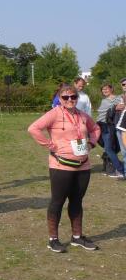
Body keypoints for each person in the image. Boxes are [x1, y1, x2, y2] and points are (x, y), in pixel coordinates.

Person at [27, 83, 101, 253]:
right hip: (61, 165)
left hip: (83, 165)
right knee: (57, 201)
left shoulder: (82, 115)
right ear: (59, 99)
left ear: (77, 98)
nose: (69, 100)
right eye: (65, 97)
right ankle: (53, 239)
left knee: (77, 201)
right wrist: (50, 145)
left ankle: (77, 237)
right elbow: (33, 128)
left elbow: (96, 128)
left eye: (73, 96)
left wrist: (91, 143)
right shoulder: (54, 113)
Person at [96, 83, 124, 178]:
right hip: (101, 125)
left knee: (110, 148)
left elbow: (121, 107)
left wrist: (115, 107)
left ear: (111, 89)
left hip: (110, 126)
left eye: (106, 89)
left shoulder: (119, 98)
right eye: (103, 89)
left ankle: (120, 169)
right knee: (106, 147)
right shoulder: (103, 101)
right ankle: (109, 165)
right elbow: (101, 112)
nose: (104, 91)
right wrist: (114, 107)